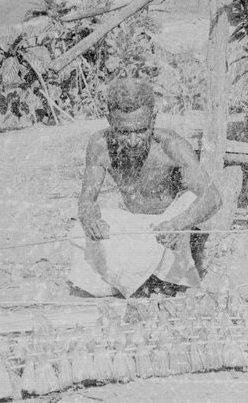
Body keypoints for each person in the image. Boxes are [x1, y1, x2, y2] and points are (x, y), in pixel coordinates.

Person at [68, 78, 224, 298]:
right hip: (138, 227)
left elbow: (213, 198)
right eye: (123, 132)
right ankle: (149, 279)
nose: (133, 141)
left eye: (141, 130)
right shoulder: (100, 144)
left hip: (170, 225)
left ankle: (155, 279)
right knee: (78, 232)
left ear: (153, 119)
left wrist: (177, 224)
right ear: (109, 121)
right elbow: (87, 200)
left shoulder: (171, 146)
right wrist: (91, 220)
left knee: (189, 200)